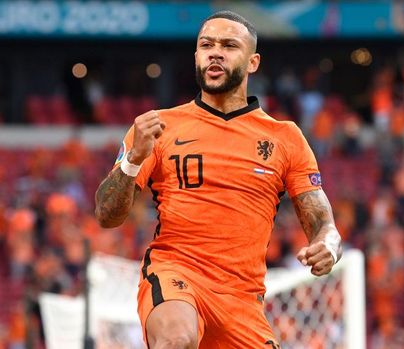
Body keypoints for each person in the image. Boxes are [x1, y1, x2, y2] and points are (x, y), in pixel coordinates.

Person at [94, 11, 342, 349]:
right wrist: (133, 161)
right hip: (177, 274)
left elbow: (322, 221)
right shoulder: (158, 127)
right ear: (196, 56)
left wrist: (327, 244)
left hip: (242, 299)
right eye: (206, 44)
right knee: (176, 340)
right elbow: (107, 215)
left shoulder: (285, 138)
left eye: (229, 45)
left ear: (252, 62)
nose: (215, 52)